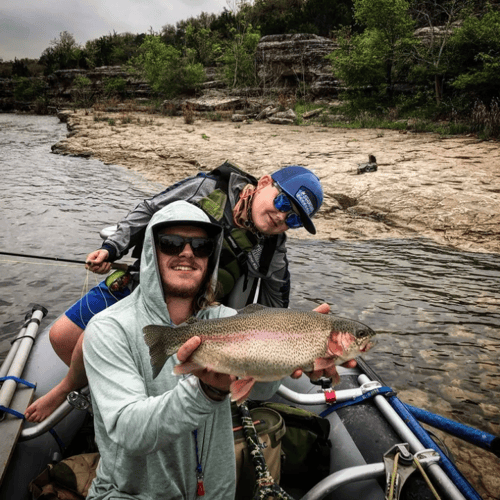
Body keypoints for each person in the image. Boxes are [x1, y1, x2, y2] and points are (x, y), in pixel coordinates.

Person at [25, 161, 324, 422]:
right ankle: (88, 391)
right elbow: (149, 209)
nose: (282, 218)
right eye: (284, 204)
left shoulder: (274, 249)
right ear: (264, 183)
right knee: (62, 336)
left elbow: (276, 306)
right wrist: (111, 248)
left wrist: (293, 339)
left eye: (294, 219)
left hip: (199, 308)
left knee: (101, 345)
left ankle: (137, 403)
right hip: (145, 283)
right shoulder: (207, 188)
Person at [82, 201, 342, 500]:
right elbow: (129, 431)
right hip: (131, 494)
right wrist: (206, 391)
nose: (187, 253)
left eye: (201, 246)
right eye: (171, 243)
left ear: (212, 255)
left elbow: (260, 391)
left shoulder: (228, 321)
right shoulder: (109, 328)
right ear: (152, 252)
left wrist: (294, 355)